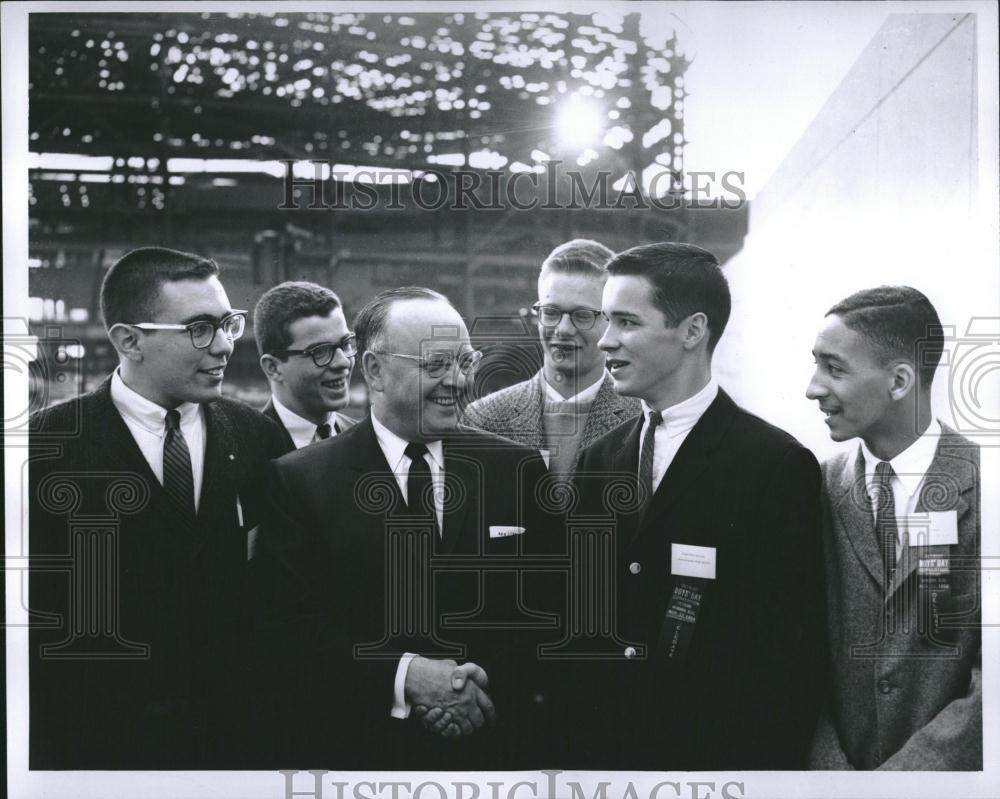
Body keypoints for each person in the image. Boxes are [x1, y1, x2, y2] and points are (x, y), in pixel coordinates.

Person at [253, 286, 560, 769]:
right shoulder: (299, 481)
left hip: (493, 753)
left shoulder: (516, 470)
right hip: (357, 757)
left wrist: (473, 690)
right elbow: (289, 631)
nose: (457, 381)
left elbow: (548, 611)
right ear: (374, 370)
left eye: (464, 361)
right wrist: (406, 677)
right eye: (435, 365)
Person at [568, 242, 826, 769]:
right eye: (605, 321)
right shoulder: (598, 459)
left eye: (626, 322)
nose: (606, 341)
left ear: (692, 331)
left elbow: (786, 659)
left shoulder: (775, 465)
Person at [28, 246, 285, 769]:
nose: (223, 347)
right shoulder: (44, 450)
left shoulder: (258, 438)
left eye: (228, 324)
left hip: (236, 746)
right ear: (129, 340)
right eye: (199, 328)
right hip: (99, 752)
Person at [805, 286, 981, 770]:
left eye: (834, 368)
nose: (813, 387)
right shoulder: (816, 486)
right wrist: (832, 773)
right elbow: (798, 652)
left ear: (899, 381)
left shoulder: (987, 485)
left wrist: (903, 779)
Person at [464, 239, 640, 476]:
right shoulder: (482, 418)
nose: (564, 329)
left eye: (583, 315)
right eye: (551, 312)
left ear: (612, 320)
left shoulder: (643, 418)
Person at [253, 281, 358, 452]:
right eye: (320, 351)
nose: (343, 362)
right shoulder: (248, 449)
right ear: (273, 368)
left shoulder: (366, 440)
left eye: (345, 343)